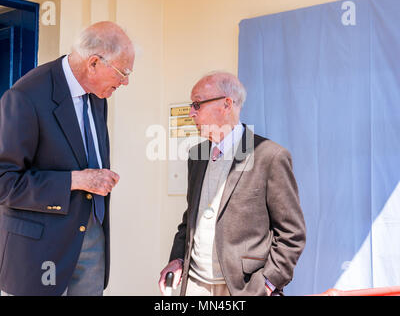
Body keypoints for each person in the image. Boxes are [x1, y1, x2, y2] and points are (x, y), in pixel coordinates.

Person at [0, 21, 135, 296]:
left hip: (93, 238)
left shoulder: (99, 96)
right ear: (94, 63)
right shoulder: (25, 96)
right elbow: (4, 182)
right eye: (123, 72)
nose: (126, 81)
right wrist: (76, 180)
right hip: (40, 252)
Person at [159, 72, 306, 296]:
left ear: (227, 104)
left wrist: (266, 284)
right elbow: (190, 218)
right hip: (195, 285)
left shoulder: (270, 156)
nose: (191, 113)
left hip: (243, 289)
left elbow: (291, 234)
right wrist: (177, 259)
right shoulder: (196, 155)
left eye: (197, 104)